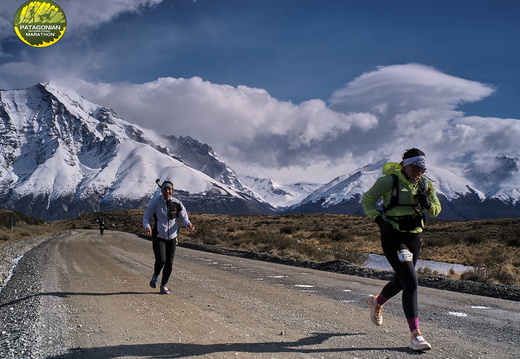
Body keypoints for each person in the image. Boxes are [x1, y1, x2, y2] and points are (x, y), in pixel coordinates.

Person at [361, 148, 441, 351]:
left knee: (402, 280)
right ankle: (416, 336)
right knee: (411, 282)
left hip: (414, 236)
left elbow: (436, 210)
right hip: (393, 235)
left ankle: (377, 302)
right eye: (415, 166)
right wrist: (379, 220)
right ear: (406, 165)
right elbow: (367, 200)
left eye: (422, 167)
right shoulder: (388, 181)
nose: (419, 171)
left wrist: (428, 203)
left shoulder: (425, 183)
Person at [143, 180, 195, 294]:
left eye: (169, 189)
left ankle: (164, 285)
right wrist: (147, 226)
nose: (167, 191)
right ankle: (155, 276)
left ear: (172, 190)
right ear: (162, 191)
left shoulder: (177, 203)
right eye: (165, 189)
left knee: (169, 262)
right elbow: (146, 216)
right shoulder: (155, 202)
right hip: (158, 236)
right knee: (161, 260)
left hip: (172, 237)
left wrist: (188, 224)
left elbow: (183, 217)